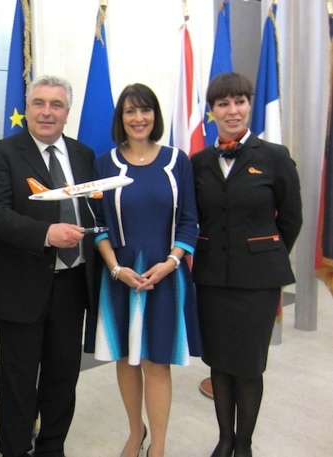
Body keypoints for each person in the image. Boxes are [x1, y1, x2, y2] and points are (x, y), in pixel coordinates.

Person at [0, 75, 97, 457]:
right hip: (22, 286)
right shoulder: (2, 153)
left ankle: (52, 449)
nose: (47, 112)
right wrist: (47, 233)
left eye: (56, 105)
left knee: (62, 380)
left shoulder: (83, 155)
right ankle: (14, 450)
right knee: (18, 382)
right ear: (27, 108)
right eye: (39, 103)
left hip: (72, 286)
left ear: (67, 113)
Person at [191, 72, 302, 457]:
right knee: (220, 363)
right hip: (211, 280)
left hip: (257, 281)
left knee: (249, 366)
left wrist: (263, 254)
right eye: (223, 104)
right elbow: (193, 217)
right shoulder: (199, 162)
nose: (232, 110)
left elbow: (291, 219)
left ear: (250, 104)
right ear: (212, 112)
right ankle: (224, 439)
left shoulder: (274, 157)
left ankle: (244, 444)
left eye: (239, 101)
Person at [88, 83, 202, 457]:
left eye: (145, 110)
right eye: (130, 112)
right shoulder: (105, 163)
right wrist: (116, 268)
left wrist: (170, 263)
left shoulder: (176, 160)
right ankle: (135, 433)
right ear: (121, 119)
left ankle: (159, 446)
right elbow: (99, 224)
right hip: (120, 277)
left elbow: (189, 220)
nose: (139, 119)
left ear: (155, 115)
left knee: (156, 361)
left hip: (165, 277)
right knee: (126, 358)